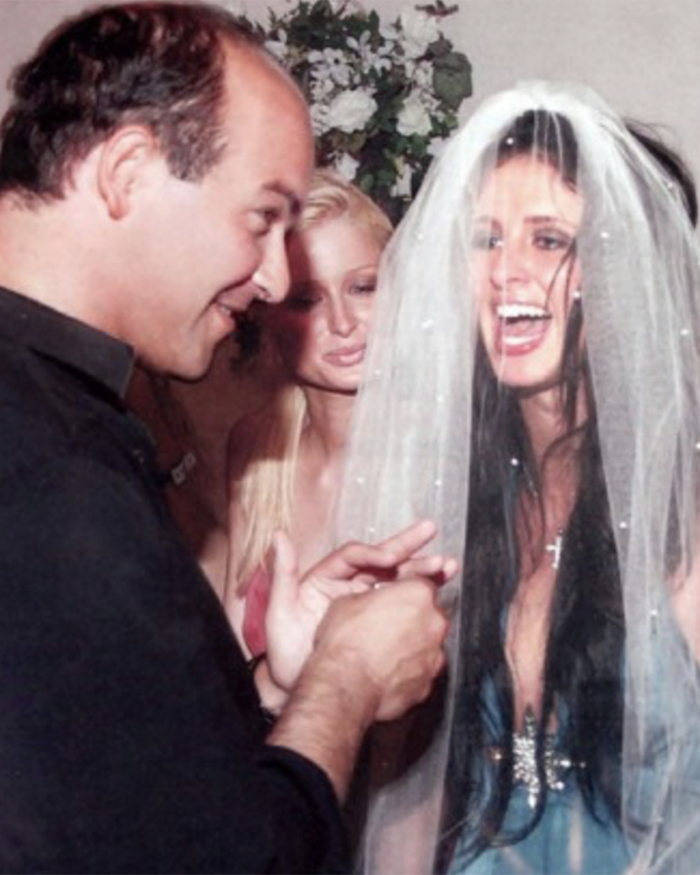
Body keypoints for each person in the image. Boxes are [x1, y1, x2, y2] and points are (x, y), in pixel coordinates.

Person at [0, 4, 452, 872]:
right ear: (127, 172)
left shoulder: (61, 413)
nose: (276, 279)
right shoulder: (45, 465)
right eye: (261, 218)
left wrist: (277, 685)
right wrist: (344, 683)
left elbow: (126, 797)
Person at [333, 81, 700, 874]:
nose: (507, 272)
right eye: (485, 240)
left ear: (621, 267)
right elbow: (413, 791)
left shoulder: (683, 512)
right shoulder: (457, 501)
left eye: (548, 239)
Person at [222, 168, 394, 655]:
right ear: (266, 313)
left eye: (363, 288)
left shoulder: (443, 460)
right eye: (307, 300)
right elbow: (235, 656)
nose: (342, 322)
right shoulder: (258, 449)